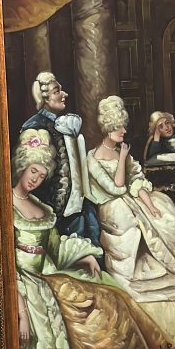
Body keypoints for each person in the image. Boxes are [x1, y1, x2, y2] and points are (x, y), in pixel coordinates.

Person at [12, 129, 175, 349]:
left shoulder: (39, 206)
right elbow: (6, 263)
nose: (35, 179)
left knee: (112, 296)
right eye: (33, 171)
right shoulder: (6, 207)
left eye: (41, 175)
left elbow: (55, 248)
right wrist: (21, 312)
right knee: (93, 314)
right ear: (22, 166)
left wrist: (84, 256)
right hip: (25, 283)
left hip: (49, 273)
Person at [87, 96, 175, 302]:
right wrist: (122, 159)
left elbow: (136, 180)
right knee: (134, 222)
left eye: (123, 126)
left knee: (165, 213)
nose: (124, 131)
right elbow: (117, 187)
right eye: (119, 127)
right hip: (112, 204)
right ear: (109, 129)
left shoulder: (120, 150)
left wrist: (150, 205)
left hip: (132, 197)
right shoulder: (95, 157)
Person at [21, 71, 100, 246]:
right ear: (45, 98)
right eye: (57, 91)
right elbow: (31, 172)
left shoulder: (65, 124)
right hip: (56, 208)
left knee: (92, 244)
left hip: (80, 203)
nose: (64, 95)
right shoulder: (35, 127)